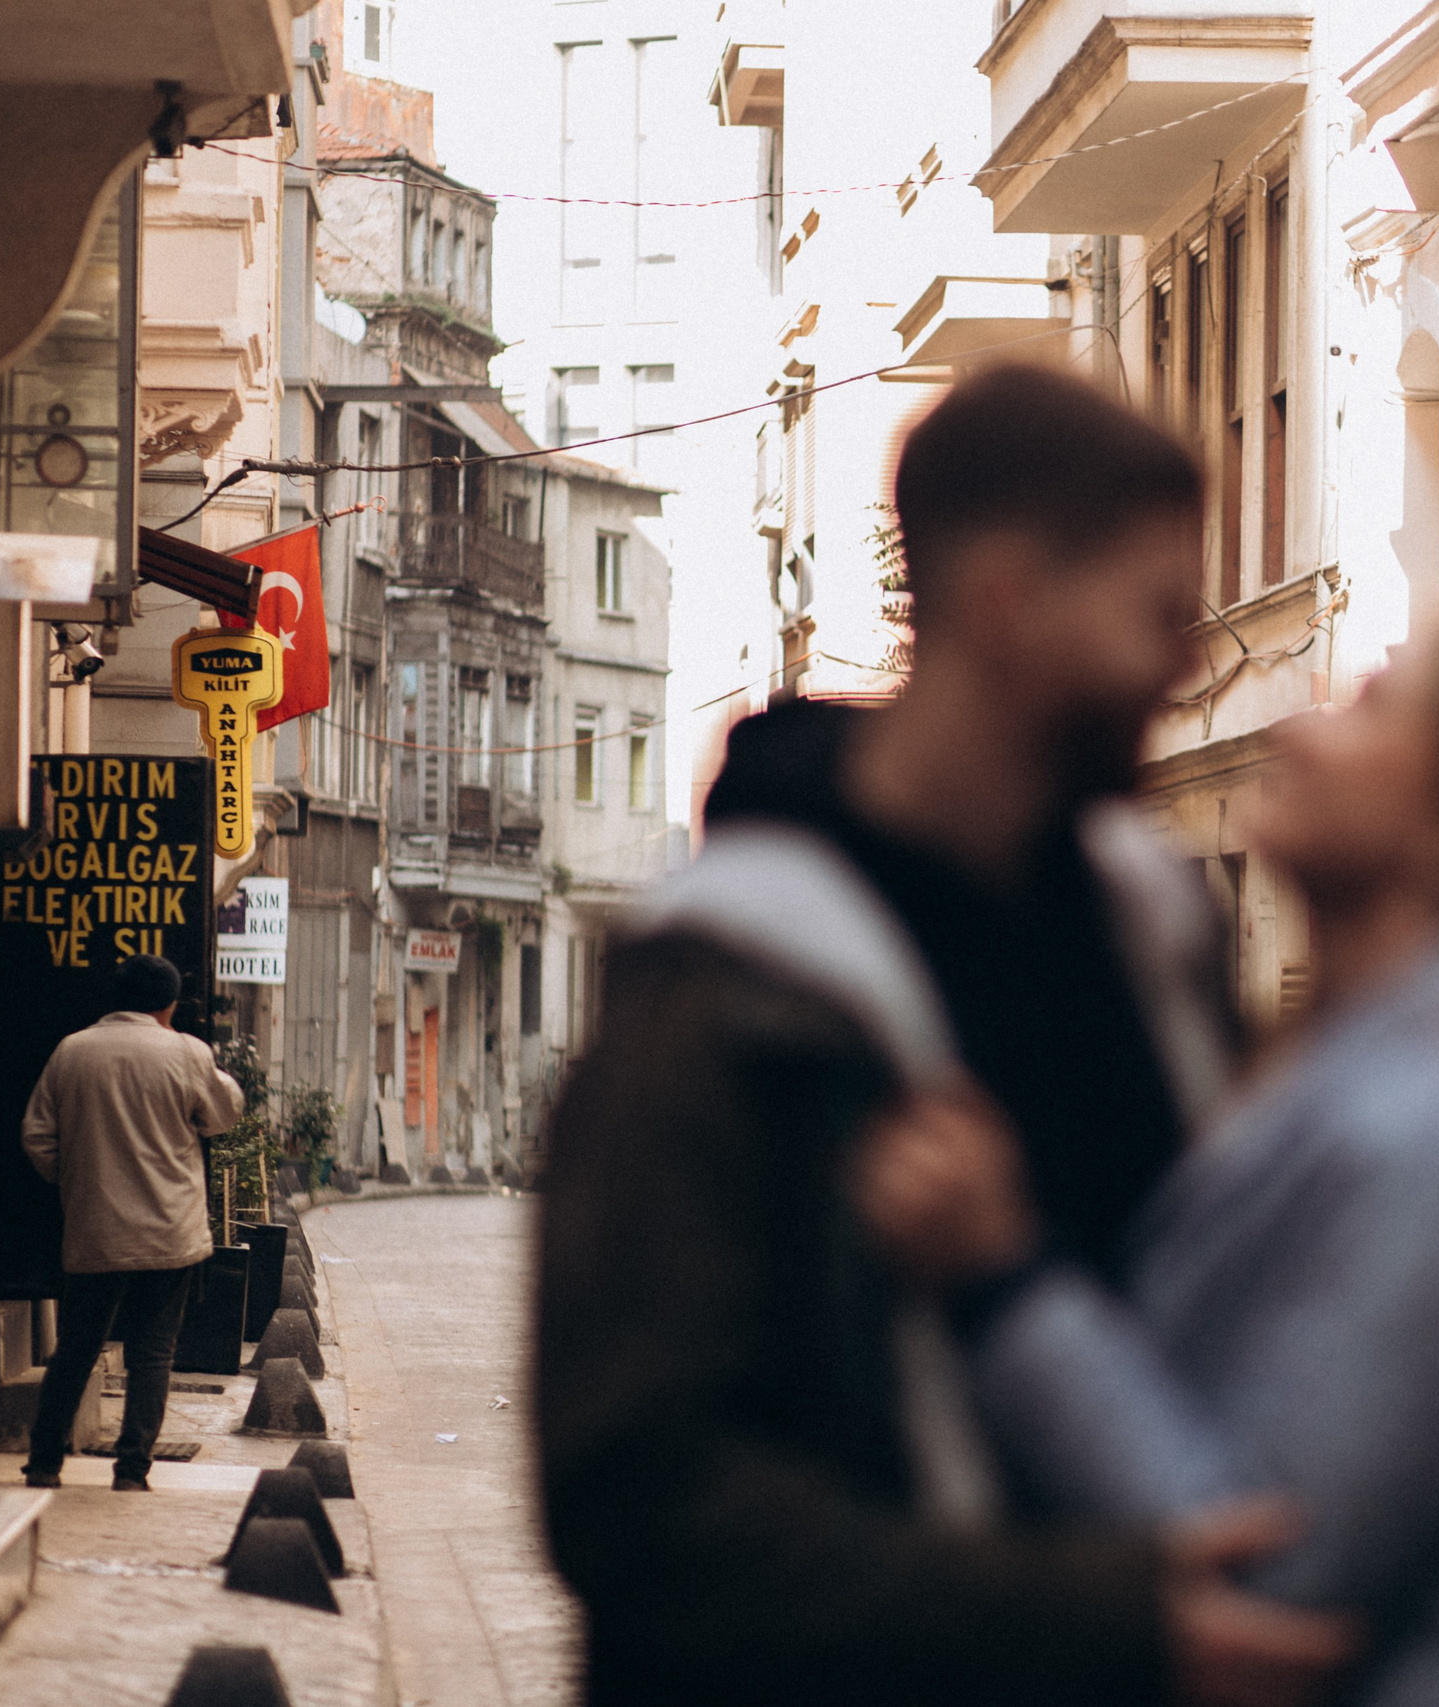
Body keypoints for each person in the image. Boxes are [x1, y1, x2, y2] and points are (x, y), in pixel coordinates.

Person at [534, 365, 1355, 1707]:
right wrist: (1090, 1619)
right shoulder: (719, 978)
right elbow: (641, 1504)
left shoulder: (1156, 927)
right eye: (1156, 609)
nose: (1189, 659)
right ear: (1007, 603)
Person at [855, 631, 1439, 1707]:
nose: (1297, 726)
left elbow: (1273, 1578)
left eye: (1372, 710)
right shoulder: (1362, 1082)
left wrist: (1006, 1282)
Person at [20, 953, 244, 1492]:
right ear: (168, 1004)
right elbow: (224, 1114)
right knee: (153, 1353)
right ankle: (131, 1469)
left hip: (95, 1228)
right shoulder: (187, 1053)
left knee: (76, 1347)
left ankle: (45, 1463)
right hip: (170, 1233)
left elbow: (37, 1137)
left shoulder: (71, 1051)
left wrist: (77, 1180)